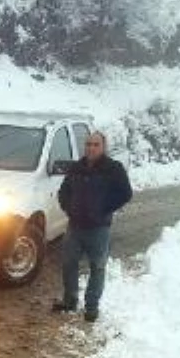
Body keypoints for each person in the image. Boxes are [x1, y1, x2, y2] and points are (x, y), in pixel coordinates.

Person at [53, 131, 132, 322]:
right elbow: (64, 191)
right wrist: (69, 208)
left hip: (98, 229)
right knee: (68, 264)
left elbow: (125, 193)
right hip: (75, 227)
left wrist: (104, 208)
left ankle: (91, 307)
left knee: (97, 268)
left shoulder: (113, 168)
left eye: (96, 144)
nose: (91, 148)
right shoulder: (77, 167)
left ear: (103, 147)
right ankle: (70, 301)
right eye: (88, 144)